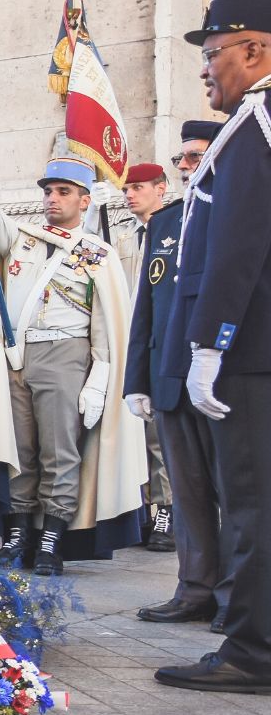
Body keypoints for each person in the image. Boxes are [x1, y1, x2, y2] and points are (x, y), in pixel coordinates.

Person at [157, 0, 271, 693]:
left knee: (252, 501)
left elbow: (238, 247)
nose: (206, 71)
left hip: (251, 352)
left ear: (255, 51)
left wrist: (211, 344)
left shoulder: (254, 123)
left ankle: (251, 651)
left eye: (213, 54)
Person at [0, 156, 143, 575]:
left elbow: (106, 326)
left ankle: (51, 541)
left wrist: (99, 379)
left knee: (59, 452)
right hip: (19, 355)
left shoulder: (97, 254)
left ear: (84, 201)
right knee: (19, 450)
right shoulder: (25, 238)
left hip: (66, 355)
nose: (52, 199)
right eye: (48, 191)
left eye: (63, 192)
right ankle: (20, 535)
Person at [126, 140, 228, 626]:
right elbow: (147, 307)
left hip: (226, 382)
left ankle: (237, 598)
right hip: (170, 377)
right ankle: (195, 588)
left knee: (235, 497)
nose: (186, 166)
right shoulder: (165, 222)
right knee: (186, 495)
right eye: (181, 160)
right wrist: (137, 380)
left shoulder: (240, 208)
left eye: (195, 156)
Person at [116, 163, 177, 552]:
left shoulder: (173, 232)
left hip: (158, 344)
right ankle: (138, 510)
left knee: (158, 438)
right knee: (130, 435)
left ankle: (167, 509)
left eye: (138, 187)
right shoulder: (121, 240)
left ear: (161, 189)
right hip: (126, 345)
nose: (130, 195)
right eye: (127, 189)